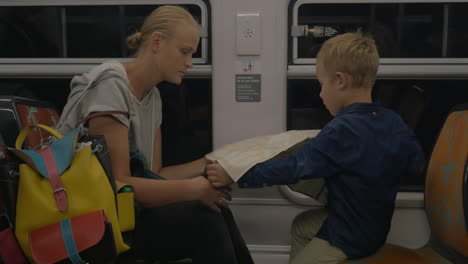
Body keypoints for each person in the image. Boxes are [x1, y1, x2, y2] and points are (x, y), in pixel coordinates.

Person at [206, 32, 425, 264]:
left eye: (321, 85)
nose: (320, 94)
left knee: (296, 161)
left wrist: (236, 174)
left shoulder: (341, 130)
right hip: (375, 224)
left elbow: (294, 168)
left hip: (348, 234)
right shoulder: (392, 120)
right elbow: (417, 164)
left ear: (340, 81)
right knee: (303, 226)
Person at [57, 6, 253, 264]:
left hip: (120, 210)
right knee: (204, 221)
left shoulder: (152, 97)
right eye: (184, 52)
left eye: (192, 54)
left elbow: (155, 173)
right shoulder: (111, 87)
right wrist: (194, 189)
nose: (189, 63)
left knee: (218, 211)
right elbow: (116, 185)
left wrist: (209, 163)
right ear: (157, 42)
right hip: (87, 216)